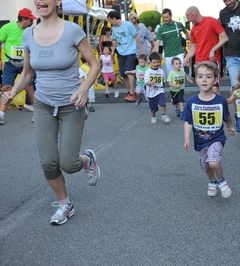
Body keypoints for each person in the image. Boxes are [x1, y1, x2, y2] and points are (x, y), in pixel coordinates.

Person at [1, 1, 100, 225]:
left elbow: (94, 64)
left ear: (57, 2)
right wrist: (13, 91)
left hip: (71, 105)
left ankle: (87, 160)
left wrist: (83, 88)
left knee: (68, 163)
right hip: (44, 104)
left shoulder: (73, 31)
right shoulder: (28, 34)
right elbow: (28, 72)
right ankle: (65, 203)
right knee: (48, 162)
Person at [182, 61, 235, 198]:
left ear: (215, 79)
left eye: (208, 76)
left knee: (213, 162)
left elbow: (227, 116)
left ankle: (222, 182)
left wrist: (229, 127)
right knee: (205, 166)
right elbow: (188, 121)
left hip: (216, 138)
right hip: (200, 141)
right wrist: (187, 137)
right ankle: (212, 182)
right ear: (195, 79)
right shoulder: (191, 102)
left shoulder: (220, 101)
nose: (204, 80)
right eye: (200, 76)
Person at [0, 8, 37, 125]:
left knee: (29, 88)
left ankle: (38, 114)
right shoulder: (7, 28)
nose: (33, 22)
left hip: (25, 63)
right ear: (24, 19)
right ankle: (1, 115)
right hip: (10, 63)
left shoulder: (32, 30)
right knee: (6, 87)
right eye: (31, 19)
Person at [184, 6, 229, 94]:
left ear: (193, 15)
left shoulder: (212, 21)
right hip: (199, 63)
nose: (188, 20)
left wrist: (213, 50)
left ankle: (219, 107)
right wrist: (187, 57)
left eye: (188, 17)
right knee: (204, 89)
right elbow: (194, 47)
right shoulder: (193, 30)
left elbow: (225, 38)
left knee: (215, 88)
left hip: (212, 61)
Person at [107, 10, 144, 102]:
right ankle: (129, 92)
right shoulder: (114, 29)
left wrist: (141, 50)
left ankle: (132, 92)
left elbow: (136, 37)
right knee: (123, 74)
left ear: (114, 18)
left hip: (130, 52)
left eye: (110, 20)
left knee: (129, 71)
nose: (110, 22)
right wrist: (112, 52)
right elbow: (115, 41)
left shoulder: (128, 25)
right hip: (121, 52)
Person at [154, 8, 190, 77]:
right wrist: (156, 54)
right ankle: (172, 88)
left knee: (180, 74)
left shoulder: (178, 25)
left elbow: (187, 33)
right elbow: (157, 42)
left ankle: (181, 87)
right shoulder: (161, 28)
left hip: (179, 53)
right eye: (164, 17)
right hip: (168, 54)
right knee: (171, 75)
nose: (165, 19)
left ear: (171, 16)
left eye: (167, 17)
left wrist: (194, 42)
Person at [144, 52, 170, 124]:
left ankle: (164, 115)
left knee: (163, 102)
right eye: (154, 62)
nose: (156, 64)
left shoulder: (161, 71)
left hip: (159, 90)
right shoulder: (148, 71)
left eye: (158, 62)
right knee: (153, 107)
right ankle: (153, 116)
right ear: (150, 63)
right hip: (150, 92)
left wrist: (163, 86)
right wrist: (151, 82)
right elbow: (146, 82)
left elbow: (163, 81)